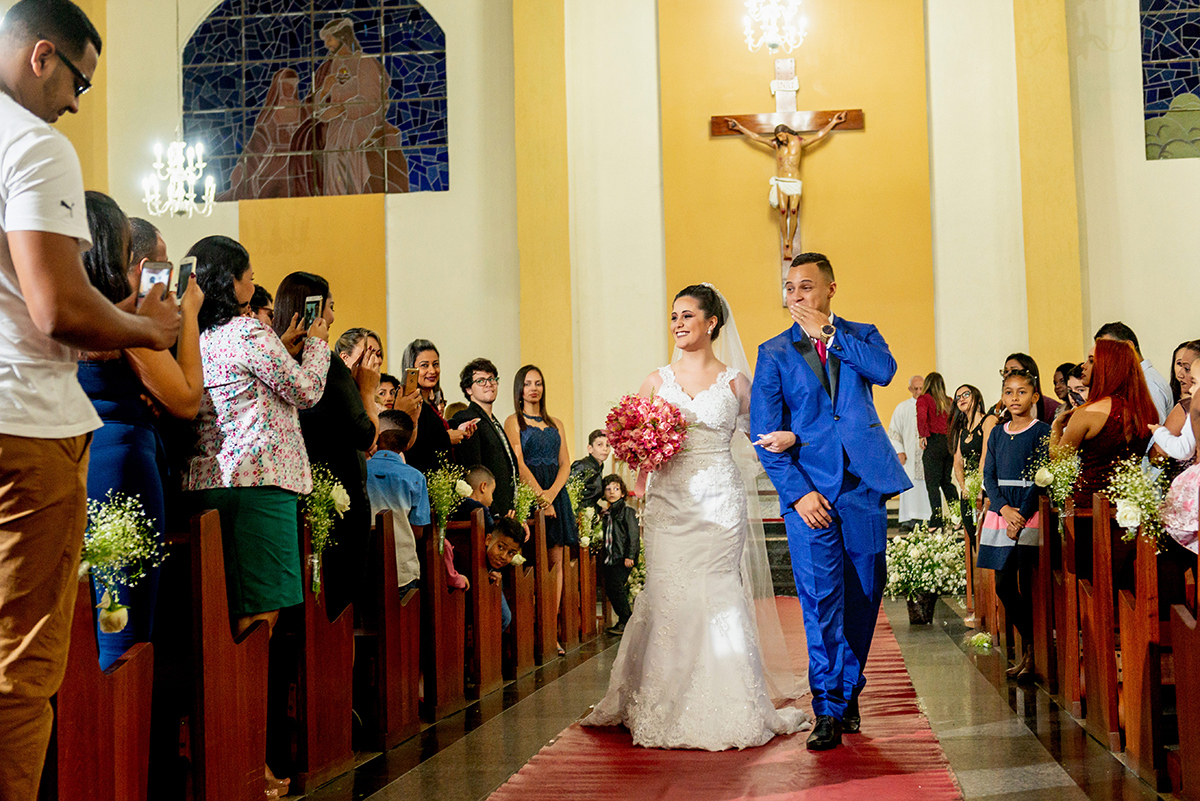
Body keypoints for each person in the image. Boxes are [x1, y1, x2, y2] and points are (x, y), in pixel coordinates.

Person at [0, 3, 180, 796]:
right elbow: (59, 309)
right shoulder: (34, 144)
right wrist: (147, 326)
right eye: (78, 79)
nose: (76, 101)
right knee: (21, 669)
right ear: (43, 56)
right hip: (24, 427)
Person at [584, 283, 809, 750]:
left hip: (720, 500)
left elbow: (763, 432)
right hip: (669, 503)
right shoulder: (655, 380)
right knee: (668, 593)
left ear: (712, 323)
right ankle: (659, 698)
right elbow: (632, 441)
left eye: (688, 315)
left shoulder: (735, 383)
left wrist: (789, 437)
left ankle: (729, 701)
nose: (679, 324)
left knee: (718, 593)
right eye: (673, 316)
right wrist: (638, 465)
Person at [184, 235, 328, 797]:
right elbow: (306, 390)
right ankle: (250, 765)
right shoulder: (247, 331)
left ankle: (232, 757)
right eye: (248, 276)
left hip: (212, 484)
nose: (253, 285)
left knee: (226, 626)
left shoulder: (196, 334)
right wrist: (314, 344)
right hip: (258, 483)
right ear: (232, 283)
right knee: (256, 625)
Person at [751, 253, 911, 751]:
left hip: (862, 487)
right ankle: (827, 708)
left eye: (805, 287)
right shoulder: (773, 352)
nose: (795, 297)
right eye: (789, 288)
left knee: (864, 596)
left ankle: (848, 685)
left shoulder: (861, 334)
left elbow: (884, 372)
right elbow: (763, 433)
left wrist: (830, 336)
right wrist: (798, 495)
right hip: (811, 496)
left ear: (830, 290)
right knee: (821, 603)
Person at [77, 192, 203, 670]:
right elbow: (187, 399)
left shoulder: (67, 306)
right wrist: (188, 314)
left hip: (79, 456)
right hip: (121, 463)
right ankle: (117, 736)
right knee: (121, 621)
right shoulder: (121, 316)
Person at [280, 286, 380, 622]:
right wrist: (366, 389)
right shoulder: (327, 364)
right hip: (339, 497)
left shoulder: (278, 354)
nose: (333, 317)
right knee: (340, 603)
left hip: (296, 492)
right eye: (330, 307)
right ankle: (339, 673)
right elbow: (365, 435)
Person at [1053, 339, 1156, 584]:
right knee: (1123, 585)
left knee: (1090, 586)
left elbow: (1058, 460)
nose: (1083, 367)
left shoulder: (1087, 413)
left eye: (1091, 360)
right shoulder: (1143, 409)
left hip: (1088, 513)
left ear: (1108, 367)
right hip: (1128, 511)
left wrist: (1057, 426)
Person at [978, 370, 1049, 681]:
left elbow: (1042, 475)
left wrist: (1020, 514)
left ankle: (1035, 653)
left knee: (1027, 585)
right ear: (1003, 397)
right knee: (1004, 585)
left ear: (1034, 396)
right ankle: (1030, 646)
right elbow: (988, 476)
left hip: (1028, 513)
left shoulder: (1041, 431)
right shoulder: (996, 432)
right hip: (1002, 512)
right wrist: (1004, 509)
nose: (1015, 398)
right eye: (1009, 392)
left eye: (1022, 392)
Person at [505, 365, 577, 656]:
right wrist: (539, 498)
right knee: (532, 560)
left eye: (538, 383)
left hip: (555, 494)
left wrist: (552, 495)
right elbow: (519, 464)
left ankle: (551, 630)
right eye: (528, 383)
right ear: (519, 389)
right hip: (530, 494)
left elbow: (565, 464)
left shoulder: (556, 422)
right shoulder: (514, 421)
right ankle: (531, 630)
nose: (533, 388)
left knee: (556, 561)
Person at [725, 113, 848, 259]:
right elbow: (756, 138)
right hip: (782, 181)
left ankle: (791, 239)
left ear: (787, 132)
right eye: (778, 137)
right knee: (783, 210)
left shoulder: (799, 142)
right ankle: (786, 243)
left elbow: (818, 136)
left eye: (781, 136)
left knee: (794, 210)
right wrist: (739, 127)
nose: (780, 139)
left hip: (794, 181)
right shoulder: (776, 145)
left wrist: (833, 122)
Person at [366, 410, 430, 596]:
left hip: (364, 564)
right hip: (402, 567)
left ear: (377, 437)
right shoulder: (415, 477)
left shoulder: (361, 471)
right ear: (408, 444)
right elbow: (418, 531)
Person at [450, 357, 519, 515]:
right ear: (468, 389)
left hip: (505, 509)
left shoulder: (494, 421)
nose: (489, 384)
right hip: (487, 511)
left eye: (492, 379)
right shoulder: (466, 418)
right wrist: (491, 510)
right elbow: (474, 471)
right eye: (481, 381)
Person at [401, 339, 476, 473]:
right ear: (411, 368)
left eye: (435, 364)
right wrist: (447, 439)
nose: (432, 370)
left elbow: (433, 434)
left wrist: (458, 430)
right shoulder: (408, 403)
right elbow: (411, 447)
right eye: (424, 365)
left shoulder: (429, 404)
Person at [1095, 321, 1172, 423]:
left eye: (1110, 350)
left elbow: (1155, 430)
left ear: (1129, 346)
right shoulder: (1135, 379)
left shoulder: (1148, 382)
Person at [888, 374, 931, 530]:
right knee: (910, 489)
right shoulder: (902, 408)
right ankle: (909, 521)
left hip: (928, 457)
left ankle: (928, 519)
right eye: (915, 388)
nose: (919, 391)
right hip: (909, 458)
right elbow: (894, 433)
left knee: (929, 488)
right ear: (909, 389)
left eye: (921, 388)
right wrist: (899, 451)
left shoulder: (931, 406)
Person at [916, 372, 959, 529]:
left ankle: (937, 519)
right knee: (946, 482)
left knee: (932, 484)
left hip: (933, 442)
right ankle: (958, 517)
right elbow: (955, 422)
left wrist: (923, 435)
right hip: (948, 443)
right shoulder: (948, 401)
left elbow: (921, 417)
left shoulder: (924, 399)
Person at [598, 474, 639, 636]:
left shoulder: (627, 511)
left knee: (616, 589)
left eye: (616, 489)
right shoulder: (607, 513)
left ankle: (626, 620)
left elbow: (633, 535)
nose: (611, 492)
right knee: (612, 589)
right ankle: (624, 620)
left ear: (622, 493)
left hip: (621, 557)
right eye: (608, 489)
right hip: (610, 558)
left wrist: (630, 556)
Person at [950, 384, 986, 541]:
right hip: (969, 486)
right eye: (958, 397)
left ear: (977, 398)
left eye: (966, 394)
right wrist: (964, 487)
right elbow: (957, 460)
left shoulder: (988, 421)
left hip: (985, 484)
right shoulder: (961, 429)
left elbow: (986, 454)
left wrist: (978, 484)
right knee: (971, 532)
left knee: (984, 531)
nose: (961, 399)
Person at [484, 517, 525, 632]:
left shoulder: (498, 565)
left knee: (505, 617)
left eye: (511, 553)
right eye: (500, 547)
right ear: (488, 539)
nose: (503, 556)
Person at [569, 430, 610, 517]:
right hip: (577, 516)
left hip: (589, 515)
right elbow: (570, 495)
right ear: (590, 448)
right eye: (600, 445)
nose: (605, 448)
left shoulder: (599, 467)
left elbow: (591, 499)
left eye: (607, 445)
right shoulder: (581, 465)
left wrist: (599, 509)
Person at [452, 464, 497, 532]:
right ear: (483, 487)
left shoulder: (453, 507)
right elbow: (492, 534)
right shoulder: (480, 511)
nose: (492, 499)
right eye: (492, 492)